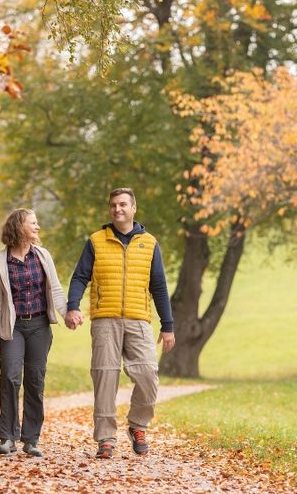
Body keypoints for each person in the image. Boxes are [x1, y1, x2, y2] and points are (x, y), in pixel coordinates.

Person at [65, 187, 175, 459]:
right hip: (105, 321)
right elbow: (80, 277)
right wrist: (73, 307)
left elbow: (159, 286)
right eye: (113, 205)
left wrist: (168, 325)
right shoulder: (96, 241)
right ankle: (105, 438)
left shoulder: (149, 243)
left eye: (123, 204)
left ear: (134, 208)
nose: (118, 209)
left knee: (148, 374)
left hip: (138, 320)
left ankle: (138, 426)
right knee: (105, 377)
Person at [0, 208, 69, 457]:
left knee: (35, 381)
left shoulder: (42, 256)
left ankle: (31, 440)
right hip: (13, 328)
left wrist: (69, 315)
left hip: (39, 327)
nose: (38, 227)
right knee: (10, 377)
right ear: (19, 226)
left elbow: (55, 289)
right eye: (33, 223)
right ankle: (8, 437)